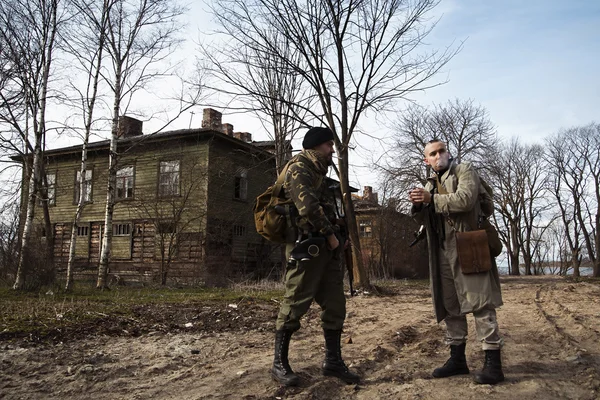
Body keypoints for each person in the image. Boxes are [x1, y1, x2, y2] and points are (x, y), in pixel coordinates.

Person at [409, 139, 505, 385]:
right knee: (450, 305)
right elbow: (426, 216)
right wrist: (418, 205)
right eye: (433, 153)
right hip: (441, 251)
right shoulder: (430, 183)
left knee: (480, 303)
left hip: (469, 244)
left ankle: (493, 365)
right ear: (426, 160)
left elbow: (465, 200)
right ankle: (457, 360)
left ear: (448, 152)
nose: (439, 155)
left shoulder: (465, 170)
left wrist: (431, 200)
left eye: (442, 150)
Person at [271, 127, 360, 387]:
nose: (332, 150)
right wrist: (332, 236)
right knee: (295, 302)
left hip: (327, 249)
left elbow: (326, 208)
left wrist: (339, 235)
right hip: (306, 249)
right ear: (315, 146)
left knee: (335, 305)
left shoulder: (320, 173)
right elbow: (307, 207)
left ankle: (333, 362)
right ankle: (279, 364)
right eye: (329, 145)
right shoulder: (299, 167)